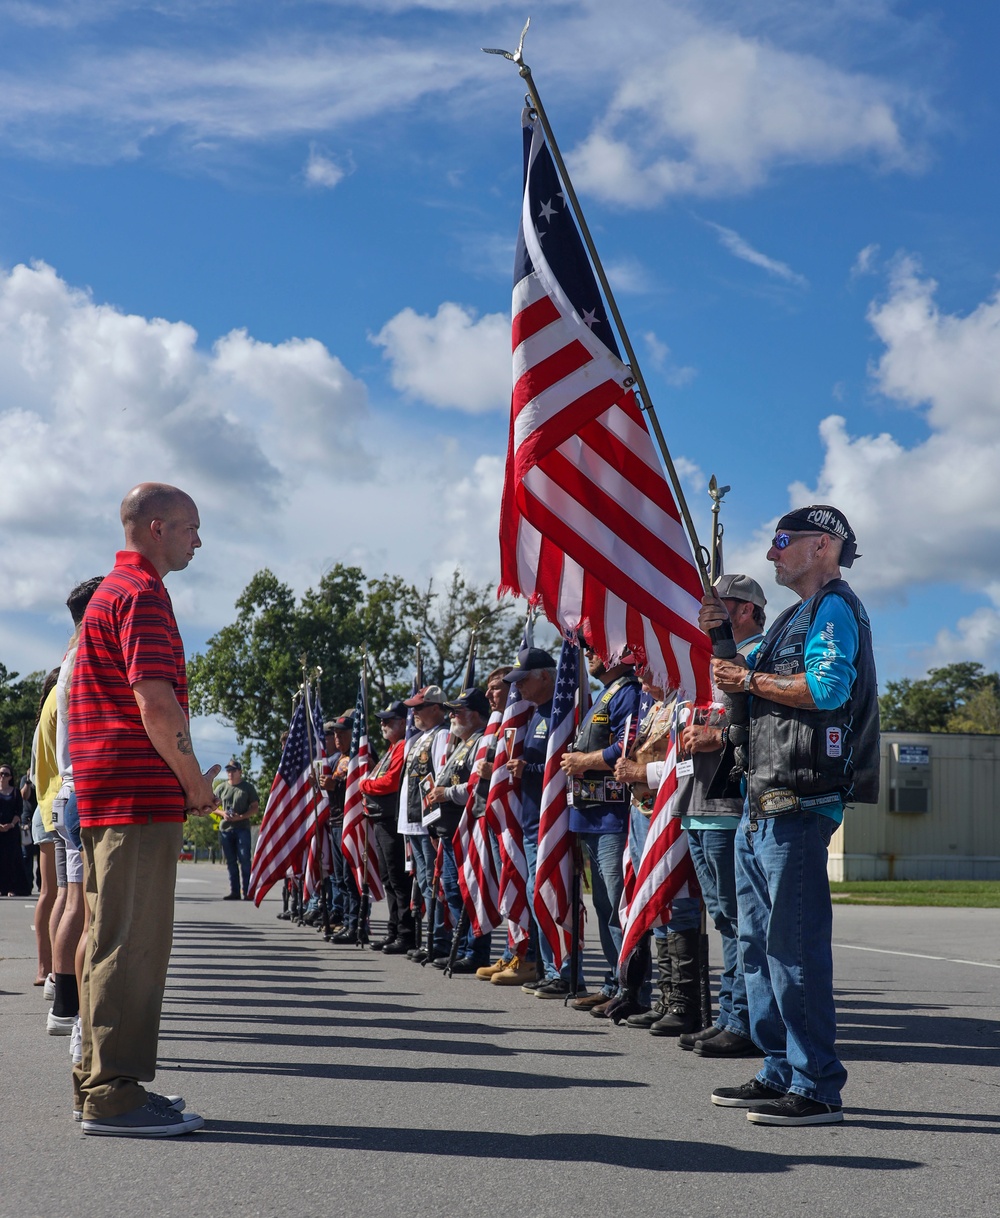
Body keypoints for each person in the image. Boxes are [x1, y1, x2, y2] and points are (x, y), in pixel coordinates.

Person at [699, 505, 879, 1127]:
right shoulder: (791, 617)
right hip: (762, 801)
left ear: (822, 545)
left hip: (800, 801)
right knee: (756, 947)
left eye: (783, 540)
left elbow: (826, 689)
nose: (772, 552)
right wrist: (724, 640)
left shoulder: (834, 607)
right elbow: (747, 692)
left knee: (793, 950)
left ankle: (816, 1085)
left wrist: (747, 679)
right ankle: (778, 1069)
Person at [70, 482, 219, 1137]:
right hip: (137, 796)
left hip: (110, 795)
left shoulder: (111, 591)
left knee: (109, 940)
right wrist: (193, 783)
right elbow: (156, 703)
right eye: (190, 527)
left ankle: (102, 1083)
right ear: (155, 527)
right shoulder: (142, 594)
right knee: (130, 946)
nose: (198, 540)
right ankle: (113, 1096)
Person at [673, 573, 767, 1057]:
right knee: (726, 919)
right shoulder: (710, 660)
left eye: (721, 603)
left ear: (746, 609)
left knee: (739, 919)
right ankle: (730, 1015)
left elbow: (760, 718)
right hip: (699, 805)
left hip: (731, 806)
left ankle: (744, 1020)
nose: (708, 612)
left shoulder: (759, 655)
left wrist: (721, 736)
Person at [559, 643, 641, 1007]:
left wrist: (582, 761)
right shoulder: (606, 694)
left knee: (617, 907)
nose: (589, 654)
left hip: (613, 816)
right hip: (591, 815)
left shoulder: (629, 692)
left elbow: (627, 746)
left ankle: (630, 989)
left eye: (596, 648)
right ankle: (613, 983)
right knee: (605, 906)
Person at [398, 686, 450, 964]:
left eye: (419, 708)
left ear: (436, 708)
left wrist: (434, 824)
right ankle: (431, 939)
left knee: (434, 881)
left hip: (426, 822)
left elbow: (438, 779)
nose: (414, 713)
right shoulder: (418, 738)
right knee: (425, 883)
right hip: (412, 821)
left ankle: (438, 941)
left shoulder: (441, 735)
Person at [359, 701, 414, 954]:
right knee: (388, 879)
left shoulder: (402, 747)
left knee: (398, 879)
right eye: (382, 720)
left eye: (388, 720)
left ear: (403, 722)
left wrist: (364, 785)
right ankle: (394, 931)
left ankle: (405, 934)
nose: (382, 724)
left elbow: (390, 782)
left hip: (392, 820)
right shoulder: (392, 749)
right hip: (382, 819)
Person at [215, 759, 259, 901]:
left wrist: (241, 817)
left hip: (242, 828)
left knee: (245, 860)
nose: (230, 773)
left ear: (240, 771)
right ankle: (235, 891)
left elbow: (255, 808)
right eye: (228, 770)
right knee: (231, 862)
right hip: (226, 829)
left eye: (233, 770)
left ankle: (247, 891)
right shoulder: (221, 788)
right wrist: (223, 813)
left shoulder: (247, 787)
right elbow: (211, 806)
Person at [0, 764, 28, 896]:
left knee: (12, 860)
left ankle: (12, 888)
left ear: (10, 777)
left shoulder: (15, 792)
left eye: (5, 774)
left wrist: (11, 824)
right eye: (1, 773)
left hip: (12, 831)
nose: (2, 776)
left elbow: (19, 811)